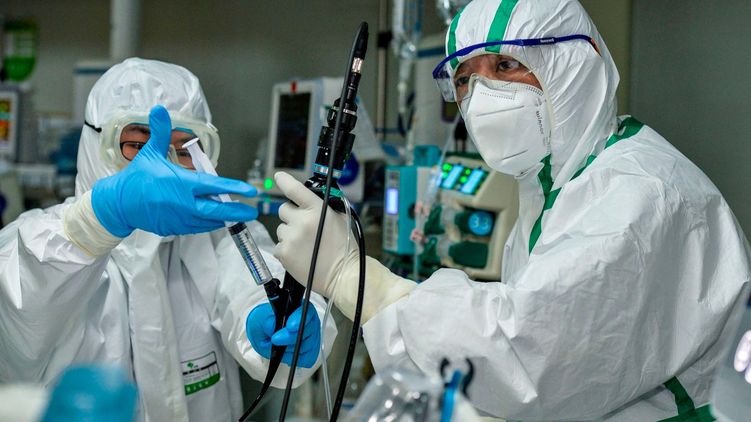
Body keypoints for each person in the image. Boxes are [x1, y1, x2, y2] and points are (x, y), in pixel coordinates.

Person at [272, 0, 751, 420]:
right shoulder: (554, 187)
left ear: (572, 65)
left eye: (505, 65)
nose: (483, 98)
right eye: (465, 79)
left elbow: (530, 354)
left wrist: (354, 277)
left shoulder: (639, 193)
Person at [0, 58, 336, 421]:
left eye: (185, 147)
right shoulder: (46, 242)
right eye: (136, 144)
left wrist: (271, 318)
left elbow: (255, 278)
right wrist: (100, 219)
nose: (163, 165)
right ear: (96, 144)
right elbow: (16, 313)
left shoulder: (217, 235)